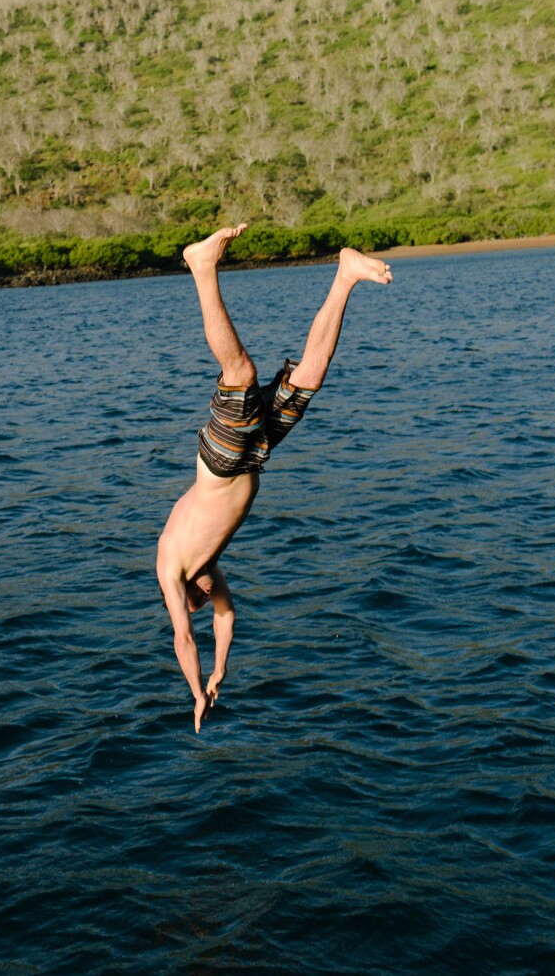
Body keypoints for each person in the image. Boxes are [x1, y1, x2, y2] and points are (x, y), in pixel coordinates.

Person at [156, 223, 393, 732]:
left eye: (200, 599)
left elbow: (183, 638)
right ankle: (345, 275)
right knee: (310, 375)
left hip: (222, 461)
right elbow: (228, 618)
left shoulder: (173, 568)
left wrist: (195, 691)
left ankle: (200, 267)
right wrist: (221, 670)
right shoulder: (207, 568)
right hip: (256, 453)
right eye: (207, 595)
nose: (209, 597)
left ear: (186, 598)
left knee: (238, 372)